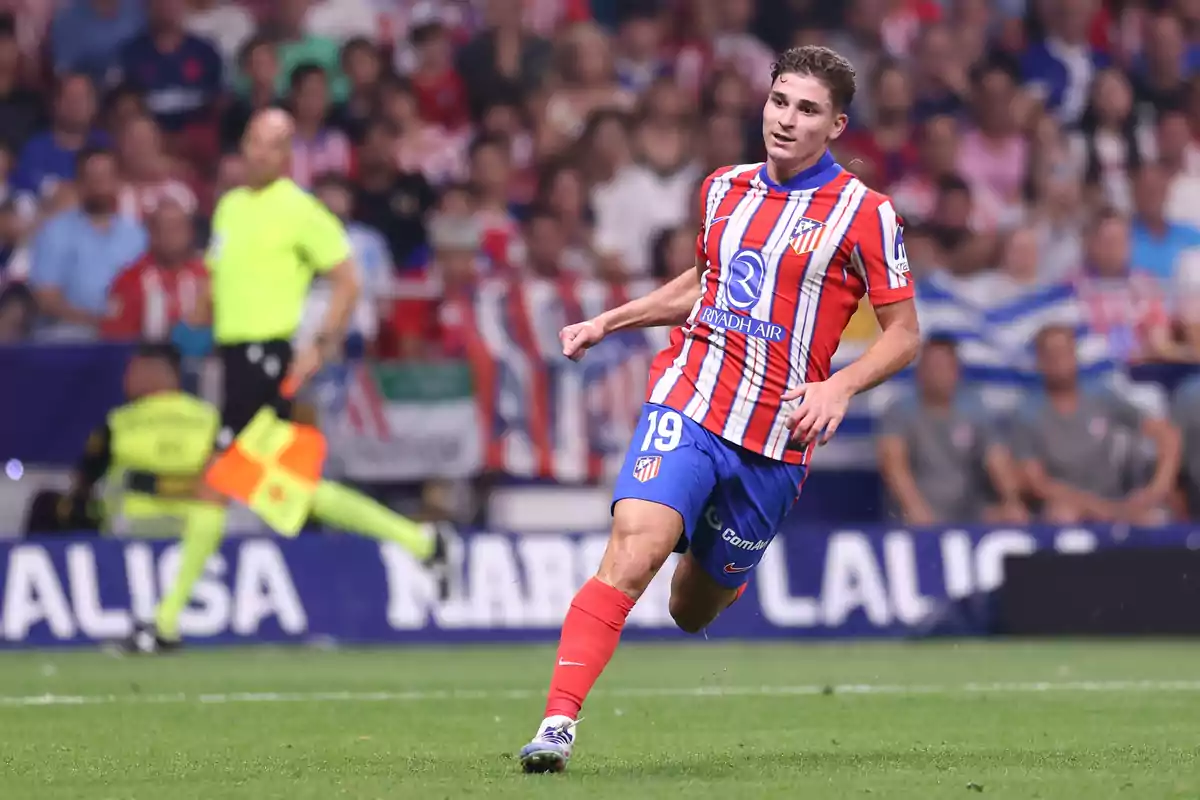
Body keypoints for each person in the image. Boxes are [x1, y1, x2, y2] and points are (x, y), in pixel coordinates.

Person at [518, 45, 921, 773]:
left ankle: (702, 534)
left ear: (835, 126)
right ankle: (556, 726)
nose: (786, 120)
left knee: (689, 609)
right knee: (633, 548)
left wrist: (838, 386)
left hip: (775, 439)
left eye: (806, 110)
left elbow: (906, 335)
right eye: (778, 101)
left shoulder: (866, 215)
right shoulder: (723, 189)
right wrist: (611, 320)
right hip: (694, 396)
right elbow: (703, 284)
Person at [124, 108, 448, 654]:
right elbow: (216, 278)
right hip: (232, 360)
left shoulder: (300, 211)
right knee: (296, 493)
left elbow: (348, 279)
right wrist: (198, 317)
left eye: (275, 145)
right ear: (244, 145)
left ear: (288, 154)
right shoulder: (229, 206)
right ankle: (420, 541)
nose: (261, 153)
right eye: (254, 141)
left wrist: (320, 345)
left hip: (267, 361)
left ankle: (165, 623)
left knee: (215, 481)